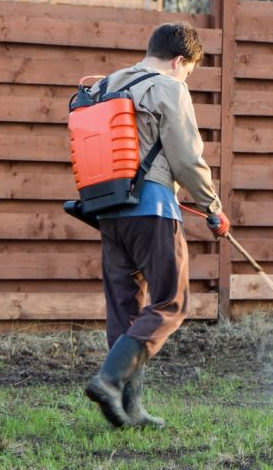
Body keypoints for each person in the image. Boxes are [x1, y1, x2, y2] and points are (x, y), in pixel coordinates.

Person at [82, 22, 230, 429]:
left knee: (125, 308)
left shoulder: (106, 84)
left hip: (108, 210)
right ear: (179, 61)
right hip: (152, 211)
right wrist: (213, 207)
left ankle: (130, 410)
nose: (186, 79)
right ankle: (110, 382)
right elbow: (187, 158)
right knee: (172, 301)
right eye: (189, 71)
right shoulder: (169, 87)